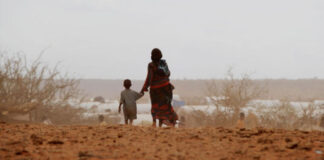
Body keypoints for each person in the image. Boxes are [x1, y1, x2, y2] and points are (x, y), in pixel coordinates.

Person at [141, 48, 178, 127]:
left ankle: (154, 123)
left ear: (152, 56)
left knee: (155, 106)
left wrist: (144, 87)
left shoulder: (151, 65)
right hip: (167, 88)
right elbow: (168, 74)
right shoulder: (164, 63)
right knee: (166, 105)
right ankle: (166, 122)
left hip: (156, 90)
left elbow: (149, 77)